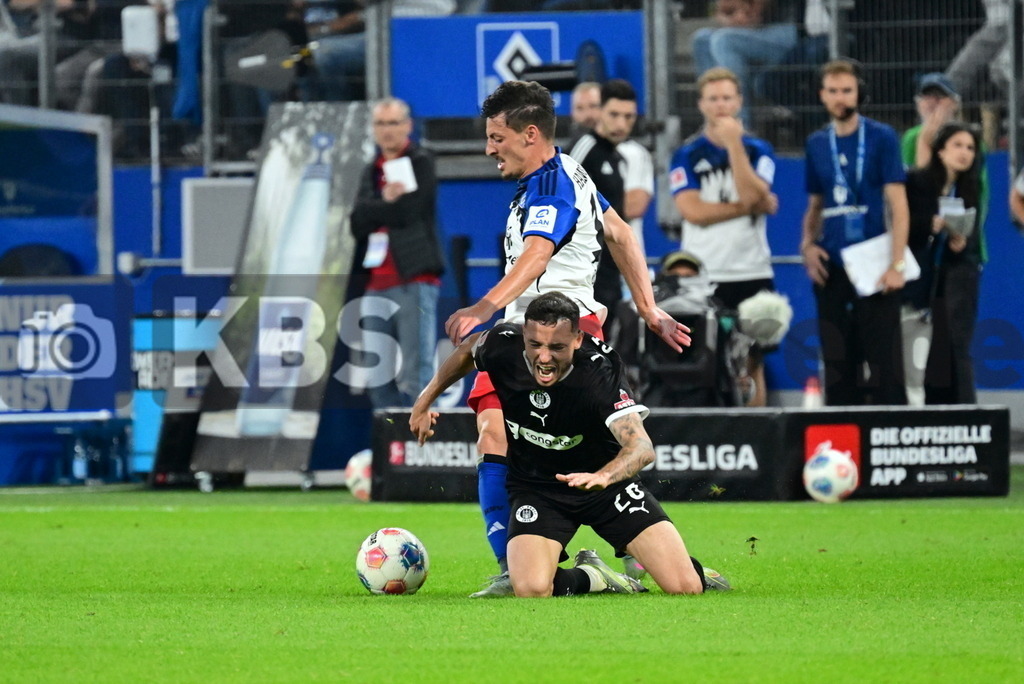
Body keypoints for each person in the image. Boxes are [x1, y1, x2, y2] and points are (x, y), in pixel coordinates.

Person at [443, 80, 689, 596]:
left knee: (529, 439)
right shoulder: (568, 172)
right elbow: (619, 233)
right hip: (524, 333)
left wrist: (484, 307)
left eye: (496, 137)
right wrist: (648, 308)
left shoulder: (551, 188)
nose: (489, 149)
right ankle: (553, 568)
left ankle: (636, 555)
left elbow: (536, 256)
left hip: (559, 335)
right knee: (503, 433)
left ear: (529, 134)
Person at [411, 292, 729, 597]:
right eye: (535, 344)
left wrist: (604, 477)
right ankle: (595, 576)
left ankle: (694, 571)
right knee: (531, 589)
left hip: (606, 489)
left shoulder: (600, 369)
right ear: (523, 335)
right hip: (538, 488)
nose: (544, 358)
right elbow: (468, 349)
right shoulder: (502, 345)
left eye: (557, 347)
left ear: (577, 340)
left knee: (684, 587)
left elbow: (641, 448)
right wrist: (424, 402)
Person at [800, 59, 909, 406]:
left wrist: (897, 265)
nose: (840, 98)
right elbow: (815, 205)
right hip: (832, 263)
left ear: (859, 93)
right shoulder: (817, 142)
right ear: (822, 95)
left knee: (883, 360)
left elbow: (898, 205)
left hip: (874, 262)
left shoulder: (881, 137)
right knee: (837, 359)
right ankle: (839, 444)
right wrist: (807, 246)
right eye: (833, 91)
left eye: (847, 90)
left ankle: (890, 440)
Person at [669, 67, 778, 406]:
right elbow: (694, 212)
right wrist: (750, 206)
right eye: (713, 99)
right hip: (704, 274)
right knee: (706, 360)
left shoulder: (758, 150)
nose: (721, 105)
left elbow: (752, 193)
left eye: (727, 98)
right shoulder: (686, 154)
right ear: (701, 104)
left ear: (739, 101)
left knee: (752, 360)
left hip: (751, 270)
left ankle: (758, 440)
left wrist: (734, 144)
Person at [350, 97, 444, 408]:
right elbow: (356, 222)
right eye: (381, 124)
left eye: (393, 123)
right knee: (377, 375)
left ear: (408, 126)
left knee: (416, 375)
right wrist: (385, 202)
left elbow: (408, 213)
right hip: (374, 285)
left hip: (413, 281)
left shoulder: (421, 162)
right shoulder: (370, 170)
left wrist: (377, 208)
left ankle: (419, 449)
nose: (387, 130)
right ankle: (389, 447)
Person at [903, 123, 984, 406]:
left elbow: (972, 233)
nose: (964, 153)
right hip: (916, 277)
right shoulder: (919, 182)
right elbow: (904, 225)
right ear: (940, 151)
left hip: (950, 273)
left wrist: (960, 241)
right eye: (957, 146)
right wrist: (929, 224)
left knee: (952, 343)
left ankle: (961, 409)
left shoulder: (970, 187)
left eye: (970, 148)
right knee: (916, 350)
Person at [567, 78, 642, 338]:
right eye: (614, 114)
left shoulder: (618, 157)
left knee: (599, 349)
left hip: (608, 271)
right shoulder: (585, 149)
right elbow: (561, 197)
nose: (621, 124)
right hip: (582, 274)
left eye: (628, 117)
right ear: (599, 112)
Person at [303, 0, 454, 103]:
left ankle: (336, 118)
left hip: (411, 31)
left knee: (322, 53)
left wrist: (327, 28)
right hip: (392, 26)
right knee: (309, 51)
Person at [690, 0, 804, 127]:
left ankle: (739, 128)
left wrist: (747, 13)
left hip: (791, 29)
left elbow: (757, 11)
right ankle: (715, 125)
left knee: (725, 40)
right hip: (758, 32)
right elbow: (721, 10)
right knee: (702, 39)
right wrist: (730, 18)